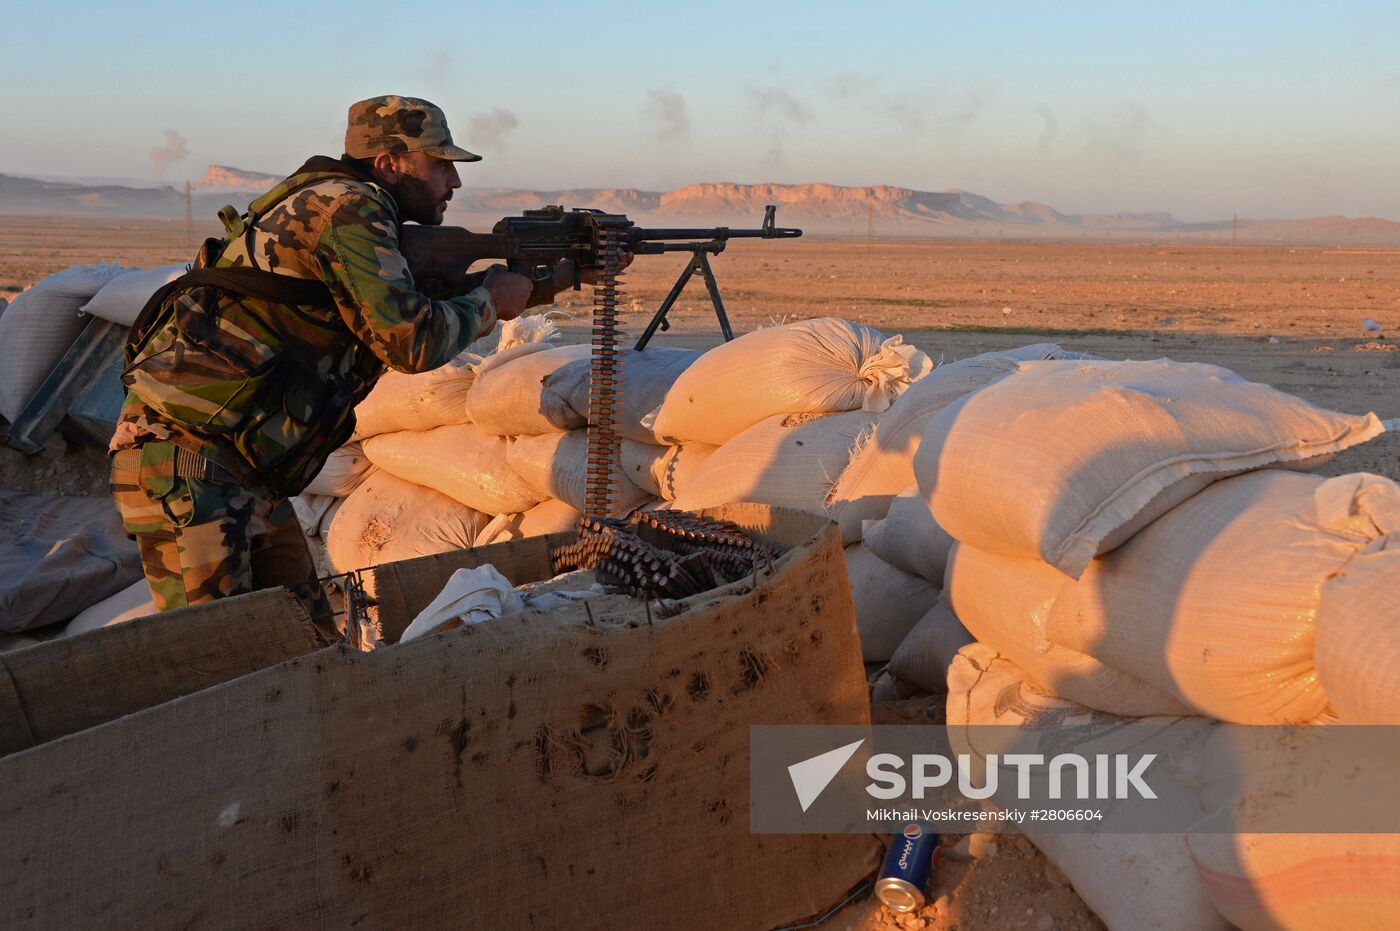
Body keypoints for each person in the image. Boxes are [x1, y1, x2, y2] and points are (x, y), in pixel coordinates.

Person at [109, 95, 582, 624]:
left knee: (309, 654)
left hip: (242, 471)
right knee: (221, 665)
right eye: (439, 163)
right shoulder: (349, 208)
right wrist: (492, 300)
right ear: (388, 163)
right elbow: (410, 341)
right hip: (189, 465)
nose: (454, 181)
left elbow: (401, 308)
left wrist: (552, 283)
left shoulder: (335, 199)